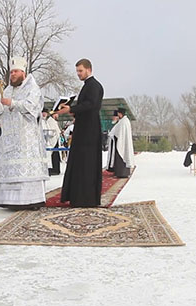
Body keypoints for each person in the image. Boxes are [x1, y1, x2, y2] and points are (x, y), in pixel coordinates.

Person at [0, 56, 49, 209]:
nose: (13, 75)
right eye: (11, 72)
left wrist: (13, 103)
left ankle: (31, 200)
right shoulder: (7, 90)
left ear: (23, 72)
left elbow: (32, 108)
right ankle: (10, 201)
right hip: (10, 139)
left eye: (16, 71)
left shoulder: (32, 88)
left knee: (26, 170)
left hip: (26, 140)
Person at [56, 59, 104, 207]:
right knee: (80, 163)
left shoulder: (94, 86)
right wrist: (73, 112)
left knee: (87, 163)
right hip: (84, 128)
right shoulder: (87, 86)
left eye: (80, 71)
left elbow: (90, 105)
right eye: (77, 71)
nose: (78, 74)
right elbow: (85, 108)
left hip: (89, 131)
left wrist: (71, 109)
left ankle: (86, 198)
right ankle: (79, 196)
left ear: (89, 69)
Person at [107, 108, 135, 178]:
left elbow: (119, 133)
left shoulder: (123, 122)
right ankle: (118, 172)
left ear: (120, 113)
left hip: (121, 142)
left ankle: (121, 173)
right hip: (120, 141)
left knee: (122, 157)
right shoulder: (123, 121)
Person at [42, 109, 62, 175]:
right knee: (53, 155)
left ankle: (55, 169)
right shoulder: (48, 120)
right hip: (49, 139)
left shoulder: (50, 120)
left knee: (55, 155)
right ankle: (53, 169)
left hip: (53, 139)